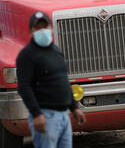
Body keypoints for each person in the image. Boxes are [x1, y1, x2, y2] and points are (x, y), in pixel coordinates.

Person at [16, 12, 86, 148]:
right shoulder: (27, 55)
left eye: (45, 26)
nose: (43, 30)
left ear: (51, 28)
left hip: (63, 116)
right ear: (31, 31)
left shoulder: (56, 51)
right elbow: (24, 87)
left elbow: (64, 81)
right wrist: (36, 114)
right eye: (38, 28)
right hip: (45, 116)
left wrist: (74, 108)